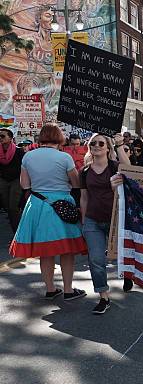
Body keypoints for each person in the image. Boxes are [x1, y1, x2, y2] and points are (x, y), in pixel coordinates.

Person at [9, 123, 88, 301]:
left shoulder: (28, 156)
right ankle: (68, 290)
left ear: (42, 136)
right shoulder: (64, 157)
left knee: (46, 250)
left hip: (37, 204)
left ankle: (50, 289)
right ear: (59, 137)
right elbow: (76, 183)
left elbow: (25, 185)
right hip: (62, 204)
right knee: (67, 251)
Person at [80, 134, 127, 314]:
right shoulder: (84, 171)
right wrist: (84, 221)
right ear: (89, 147)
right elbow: (84, 198)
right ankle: (103, 296)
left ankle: (128, 276)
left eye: (101, 143)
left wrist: (120, 143)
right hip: (93, 220)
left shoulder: (116, 167)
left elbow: (131, 169)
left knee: (123, 256)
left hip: (116, 220)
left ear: (108, 148)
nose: (97, 146)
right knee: (96, 259)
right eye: (93, 143)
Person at [0, 128, 25, 232]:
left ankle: (18, 233)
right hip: (3, 180)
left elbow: (24, 166)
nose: (0, 138)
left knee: (13, 207)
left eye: (3, 136)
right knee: (7, 207)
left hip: (16, 180)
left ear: (10, 138)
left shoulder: (19, 151)